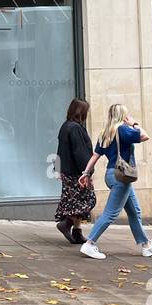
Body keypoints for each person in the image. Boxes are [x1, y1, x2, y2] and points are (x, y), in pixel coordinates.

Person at [76, 103, 152, 260]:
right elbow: (145, 135)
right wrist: (134, 124)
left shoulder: (105, 133)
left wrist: (85, 173)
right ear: (122, 116)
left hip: (111, 175)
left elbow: (95, 156)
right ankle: (89, 244)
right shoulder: (123, 130)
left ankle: (146, 245)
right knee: (110, 213)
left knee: (134, 211)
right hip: (121, 177)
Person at [54, 98, 95, 244]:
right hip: (76, 172)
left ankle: (77, 232)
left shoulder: (65, 126)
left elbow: (60, 150)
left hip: (66, 171)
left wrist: (57, 169)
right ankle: (66, 224)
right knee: (87, 200)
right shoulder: (76, 128)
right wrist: (87, 172)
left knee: (74, 201)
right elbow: (80, 152)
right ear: (81, 112)